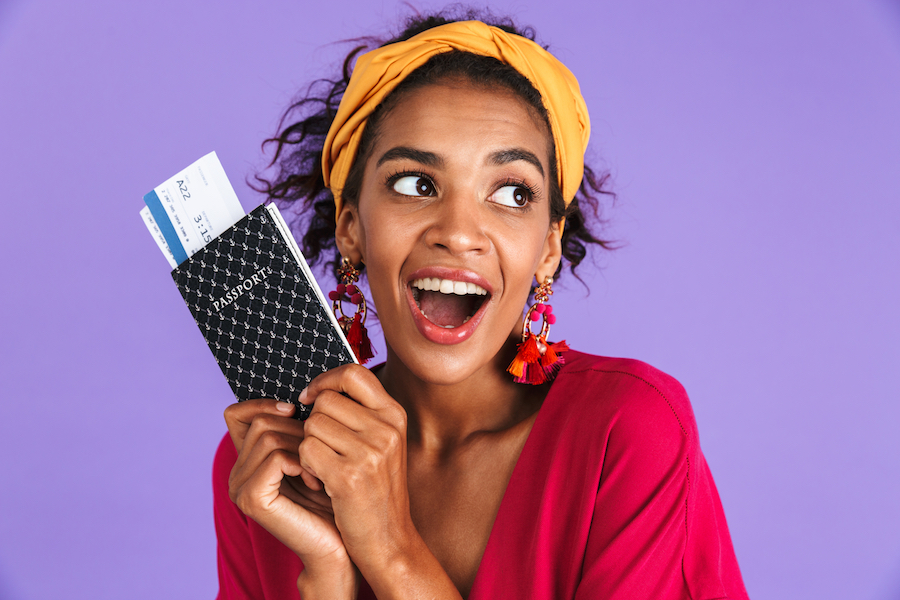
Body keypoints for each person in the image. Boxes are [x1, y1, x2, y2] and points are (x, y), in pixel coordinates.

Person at [213, 11, 749, 600]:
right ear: (351, 230)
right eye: (415, 183)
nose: (460, 232)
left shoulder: (627, 431)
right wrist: (328, 574)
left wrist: (389, 550)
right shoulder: (273, 459)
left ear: (548, 248)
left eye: (513, 193)